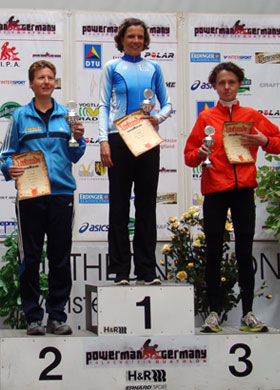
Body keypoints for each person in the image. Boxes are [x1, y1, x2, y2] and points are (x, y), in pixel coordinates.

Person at [184, 62, 280, 333]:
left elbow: (277, 141)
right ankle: (214, 313)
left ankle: (248, 313)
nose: (227, 87)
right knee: (213, 252)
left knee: (244, 250)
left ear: (240, 85)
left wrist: (264, 141)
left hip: (243, 191)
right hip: (215, 190)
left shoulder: (251, 115)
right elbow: (189, 157)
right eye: (221, 83)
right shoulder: (205, 118)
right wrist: (201, 154)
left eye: (232, 83)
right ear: (214, 86)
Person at [0, 60, 86, 335]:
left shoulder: (67, 116)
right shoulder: (20, 117)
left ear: (54, 82)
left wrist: (79, 138)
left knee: (60, 257)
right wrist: (8, 168)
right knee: (31, 258)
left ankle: (57, 316)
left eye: (50, 77)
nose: (46, 82)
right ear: (31, 83)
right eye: (40, 78)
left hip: (62, 194)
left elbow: (74, 154)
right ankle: (33, 317)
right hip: (30, 195)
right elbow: (6, 154)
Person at [98, 18, 172, 285]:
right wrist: (103, 141)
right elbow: (103, 106)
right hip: (118, 139)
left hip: (146, 140)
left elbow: (167, 104)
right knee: (118, 206)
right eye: (130, 36)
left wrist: (158, 119)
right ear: (122, 39)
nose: (135, 41)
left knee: (146, 206)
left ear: (145, 40)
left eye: (140, 36)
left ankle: (146, 269)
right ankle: (119, 270)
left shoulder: (154, 67)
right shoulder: (112, 67)